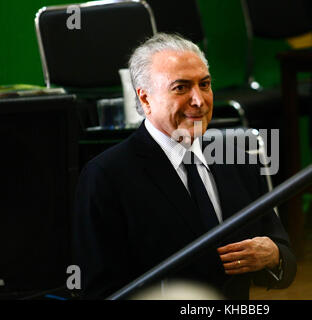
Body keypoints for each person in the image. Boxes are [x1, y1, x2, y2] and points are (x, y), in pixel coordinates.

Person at [72, 33, 296, 300]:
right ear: (145, 99)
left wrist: (274, 256)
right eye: (181, 87)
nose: (199, 100)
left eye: (205, 84)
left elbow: (283, 256)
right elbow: (99, 290)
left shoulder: (238, 160)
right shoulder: (106, 176)